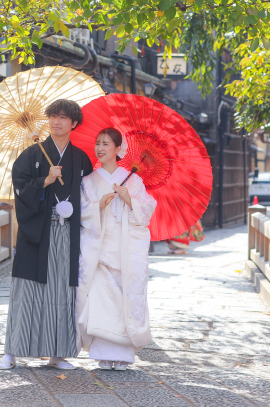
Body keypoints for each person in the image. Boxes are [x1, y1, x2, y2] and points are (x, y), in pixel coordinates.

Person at [0, 99, 94, 370]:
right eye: (52, 117)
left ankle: (57, 353)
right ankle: (12, 352)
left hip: (68, 232)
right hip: (36, 231)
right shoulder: (32, 155)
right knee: (26, 290)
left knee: (62, 291)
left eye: (63, 118)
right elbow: (19, 186)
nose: (56, 122)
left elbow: (89, 195)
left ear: (74, 123)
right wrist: (44, 181)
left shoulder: (81, 159)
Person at [76, 128, 156, 371]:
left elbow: (147, 209)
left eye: (106, 144)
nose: (100, 148)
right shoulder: (88, 181)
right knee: (100, 299)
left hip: (124, 249)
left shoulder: (133, 180)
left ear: (118, 149)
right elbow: (82, 212)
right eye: (98, 143)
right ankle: (103, 353)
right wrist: (97, 205)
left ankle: (123, 355)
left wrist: (129, 198)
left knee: (124, 300)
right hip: (99, 249)